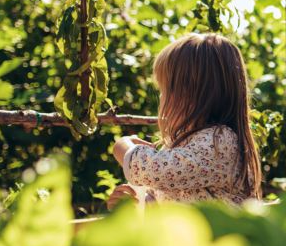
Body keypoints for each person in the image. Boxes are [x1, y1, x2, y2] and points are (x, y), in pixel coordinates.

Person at [109, 33, 261, 208]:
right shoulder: (186, 144)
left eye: (164, 89)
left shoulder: (219, 141)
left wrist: (123, 146)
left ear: (188, 94)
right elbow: (166, 199)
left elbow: (155, 170)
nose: (161, 97)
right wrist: (136, 203)